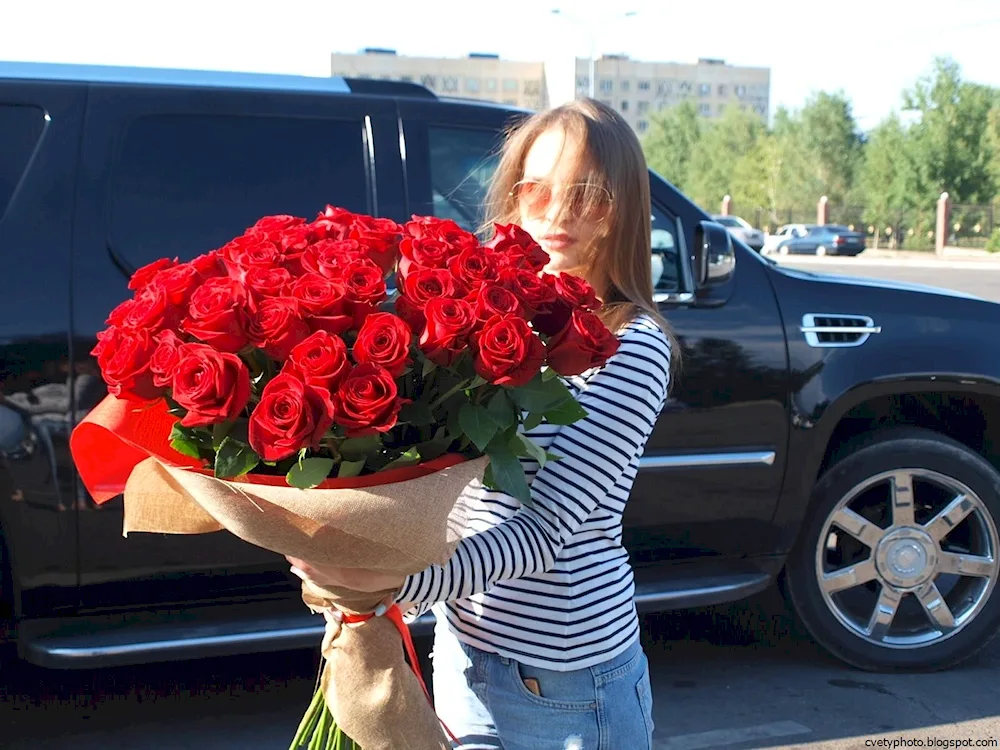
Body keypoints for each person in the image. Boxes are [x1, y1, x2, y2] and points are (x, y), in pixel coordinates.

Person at [287, 98, 676, 750]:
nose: (557, 215)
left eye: (587, 197)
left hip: (566, 681)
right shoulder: (494, 322)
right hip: (464, 650)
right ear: (514, 198)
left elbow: (542, 532)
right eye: (538, 190)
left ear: (623, 211)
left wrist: (392, 587)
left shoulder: (633, 346)